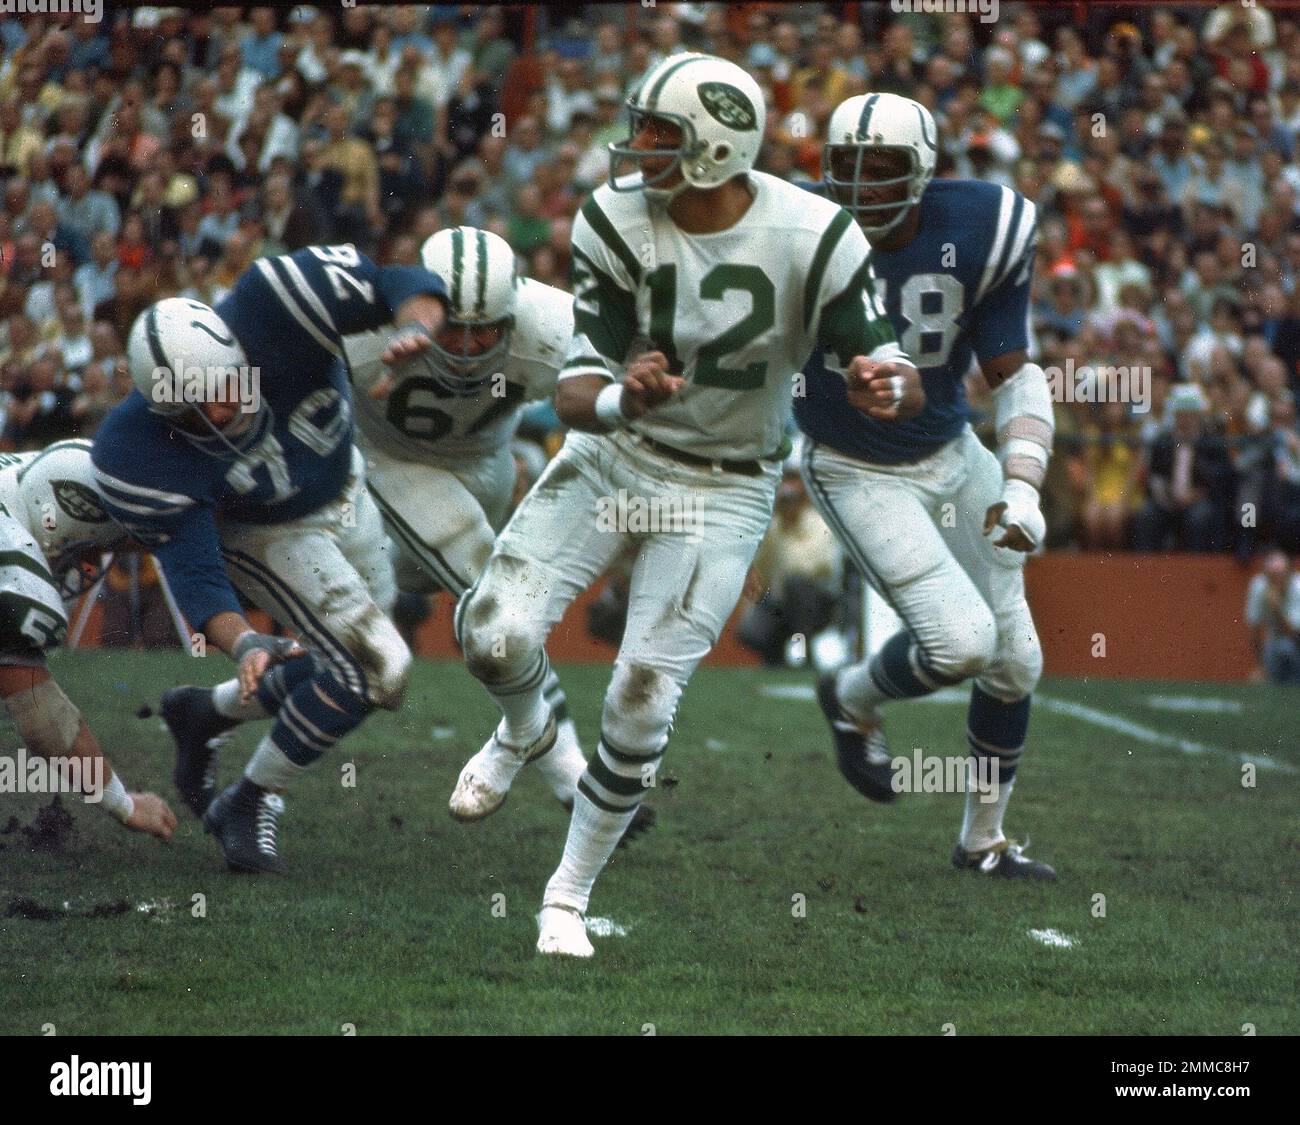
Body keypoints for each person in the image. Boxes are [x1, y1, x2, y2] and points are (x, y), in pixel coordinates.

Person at [449, 53, 921, 957]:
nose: (637, 147)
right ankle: (521, 728)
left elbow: (889, 365)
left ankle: (566, 897)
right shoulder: (615, 220)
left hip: (724, 484)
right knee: (492, 634)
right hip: (615, 455)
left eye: (659, 132)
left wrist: (882, 384)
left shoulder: (815, 233)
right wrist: (631, 394)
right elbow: (581, 393)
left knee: (640, 693)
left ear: (715, 147)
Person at [91, 245, 449, 874]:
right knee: (380, 669)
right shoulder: (135, 451)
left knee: (354, 670)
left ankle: (206, 712)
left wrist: (415, 326)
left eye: (227, 387)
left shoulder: (277, 301)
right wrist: (247, 642)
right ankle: (250, 800)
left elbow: (404, 280)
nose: (223, 411)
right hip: (265, 532)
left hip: (345, 485)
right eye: (199, 406)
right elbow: (197, 577)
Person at [795, 93, 1057, 879]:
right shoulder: (796, 227)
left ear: (925, 171)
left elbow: (1014, 372)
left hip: (950, 449)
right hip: (852, 463)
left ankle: (983, 841)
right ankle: (850, 694)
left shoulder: (987, 226)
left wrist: (1024, 485)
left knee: (1016, 660)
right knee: (963, 642)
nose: (867, 186)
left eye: (885, 169)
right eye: (850, 167)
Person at [344, 225, 653, 841]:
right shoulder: (362, 328)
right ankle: (568, 773)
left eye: (485, 332)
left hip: (487, 465)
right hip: (383, 457)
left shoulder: (554, 326)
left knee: (481, 605)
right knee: (487, 595)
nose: (464, 348)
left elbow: (626, 390)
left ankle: (209, 712)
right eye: (452, 328)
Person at [0, 440, 175, 840]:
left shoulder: (21, 482)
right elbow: (43, 716)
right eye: (91, 550)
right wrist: (124, 804)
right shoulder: (12, 541)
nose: (92, 564)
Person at [1246, 549, 1300, 684]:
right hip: (1275, 644)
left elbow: (1296, 635)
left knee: (1284, 647)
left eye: (1280, 576)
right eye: (1272, 577)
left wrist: (1277, 608)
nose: (1276, 581)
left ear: (1289, 574)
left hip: (1294, 645)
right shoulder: (1259, 586)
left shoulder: (1297, 588)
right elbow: (1254, 630)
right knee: (1276, 647)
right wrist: (1261, 668)